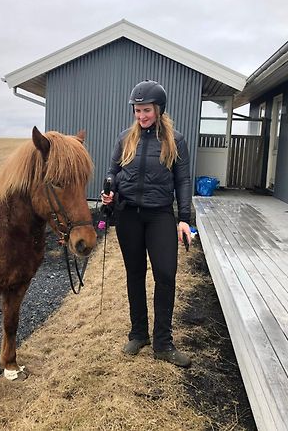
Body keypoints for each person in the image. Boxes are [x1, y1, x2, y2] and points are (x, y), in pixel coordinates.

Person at [101, 80, 192, 367]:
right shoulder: (125, 138)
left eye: (147, 110)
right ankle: (138, 333)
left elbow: (183, 181)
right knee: (135, 274)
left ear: (159, 109)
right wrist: (110, 190)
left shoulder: (175, 140)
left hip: (161, 215)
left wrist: (184, 219)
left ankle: (163, 343)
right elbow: (113, 171)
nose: (141, 116)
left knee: (165, 275)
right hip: (129, 215)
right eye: (138, 110)